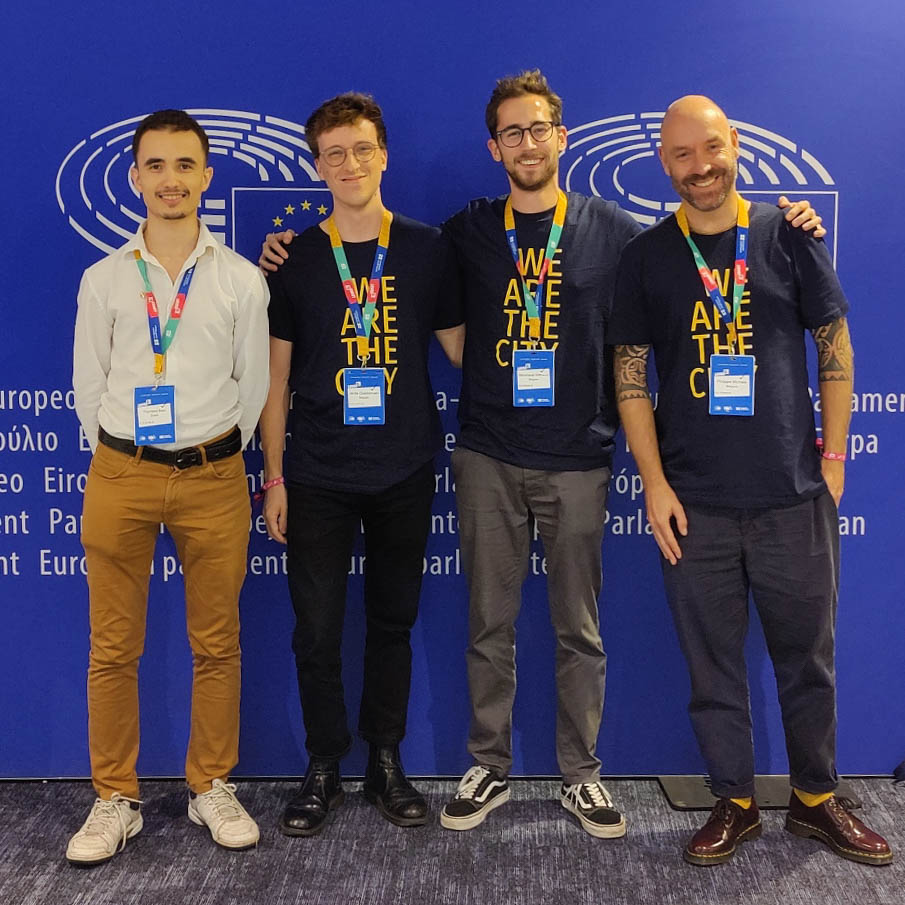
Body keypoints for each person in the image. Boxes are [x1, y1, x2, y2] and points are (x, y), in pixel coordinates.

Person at [259, 75, 821, 839]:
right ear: (494, 149)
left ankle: (579, 775)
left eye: (538, 129)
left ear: (562, 136)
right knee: (488, 623)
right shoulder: (461, 233)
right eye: (511, 133)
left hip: (580, 458)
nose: (526, 143)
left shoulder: (620, 232)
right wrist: (282, 248)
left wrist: (789, 217)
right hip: (487, 455)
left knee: (577, 630)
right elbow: (403, 291)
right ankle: (487, 763)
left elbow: (696, 251)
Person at [610, 95, 892, 866]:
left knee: (809, 658)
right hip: (693, 504)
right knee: (712, 666)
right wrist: (654, 484)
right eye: (681, 156)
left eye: (710, 148)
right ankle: (732, 801)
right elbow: (628, 374)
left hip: (791, 494)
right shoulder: (645, 257)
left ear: (733, 143)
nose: (699, 168)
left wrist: (832, 461)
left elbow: (833, 341)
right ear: (663, 164)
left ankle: (813, 800)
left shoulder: (785, 235)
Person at [258, 93, 464, 836]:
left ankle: (385, 759)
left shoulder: (424, 246)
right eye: (334, 152)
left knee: (392, 622)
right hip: (315, 471)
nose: (350, 163)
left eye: (362, 149)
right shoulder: (294, 259)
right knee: (314, 630)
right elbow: (274, 382)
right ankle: (322, 764)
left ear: (385, 155)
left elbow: (460, 350)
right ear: (317, 166)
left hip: (403, 466)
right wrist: (274, 475)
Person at [68, 110, 270, 865]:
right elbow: (90, 385)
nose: (171, 180)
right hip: (120, 473)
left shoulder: (240, 279)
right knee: (113, 647)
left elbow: (251, 388)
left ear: (206, 176)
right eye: (156, 166)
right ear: (135, 178)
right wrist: (127, 453)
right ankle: (115, 797)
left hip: (214, 475)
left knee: (216, 642)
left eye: (185, 165)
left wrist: (215, 452)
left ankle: (208, 782)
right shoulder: (104, 278)